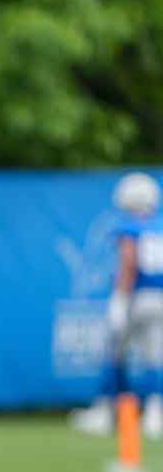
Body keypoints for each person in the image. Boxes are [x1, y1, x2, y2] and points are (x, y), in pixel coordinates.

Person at [73, 172, 163, 438]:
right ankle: (156, 413)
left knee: (113, 351)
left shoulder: (130, 228)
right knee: (155, 357)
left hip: (137, 298)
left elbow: (129, 262)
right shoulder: (159, 226)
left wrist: (120, 299)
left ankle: (106, 410)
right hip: (160, 298)